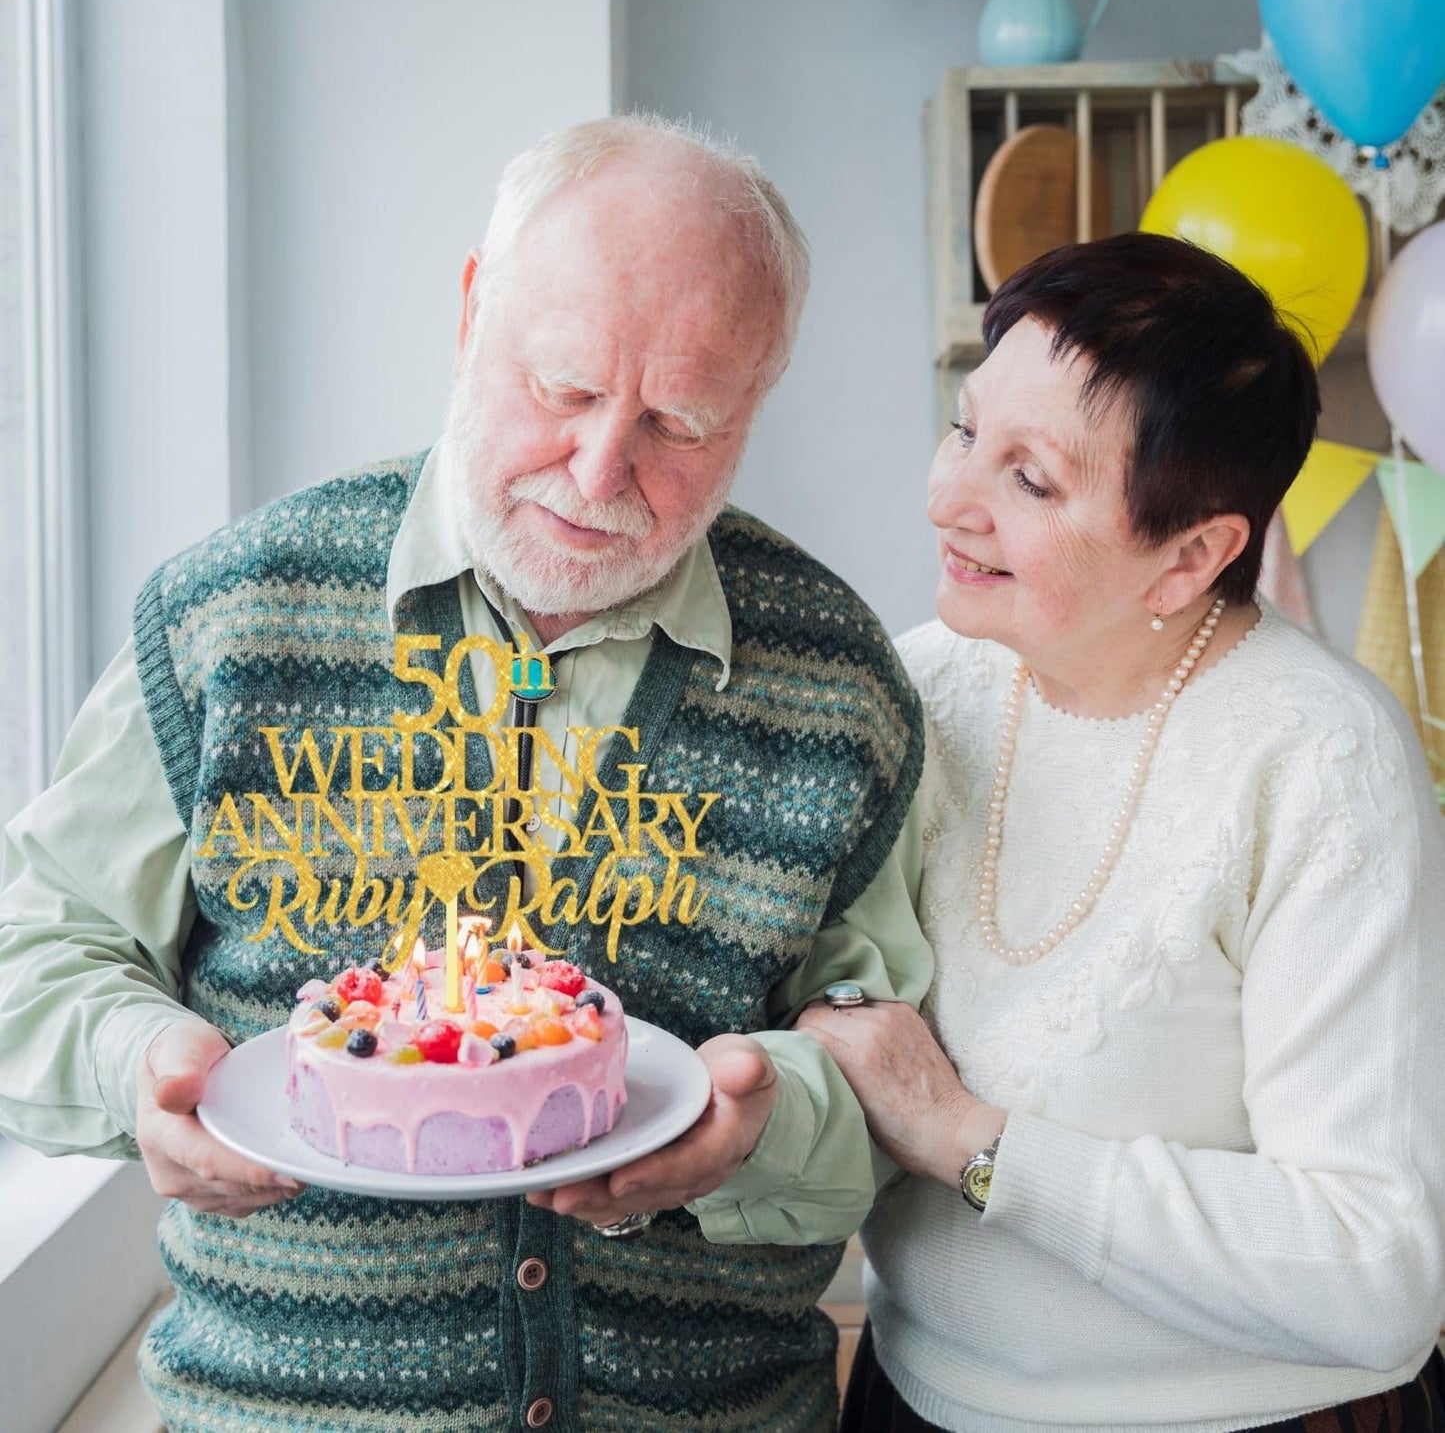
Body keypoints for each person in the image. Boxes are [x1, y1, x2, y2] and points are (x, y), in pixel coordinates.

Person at [0, 115, 934, 1433]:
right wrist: (139, 1064)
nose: (601, 469)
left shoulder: (838, 685)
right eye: (561, 387)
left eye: (679, 421)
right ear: (469, 312)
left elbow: (899, 1087)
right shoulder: (233, 617)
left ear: (754, 409)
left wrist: (762, 1127)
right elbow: (34, 950)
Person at [799, 233, 1445, 1432]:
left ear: (1190, 555)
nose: (949, 499)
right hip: (914, 1401)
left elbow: (1377, 1271)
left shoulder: (1318, 757)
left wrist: (970, 1141)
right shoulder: (910, 685)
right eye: (962, 430)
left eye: (1029, 479)